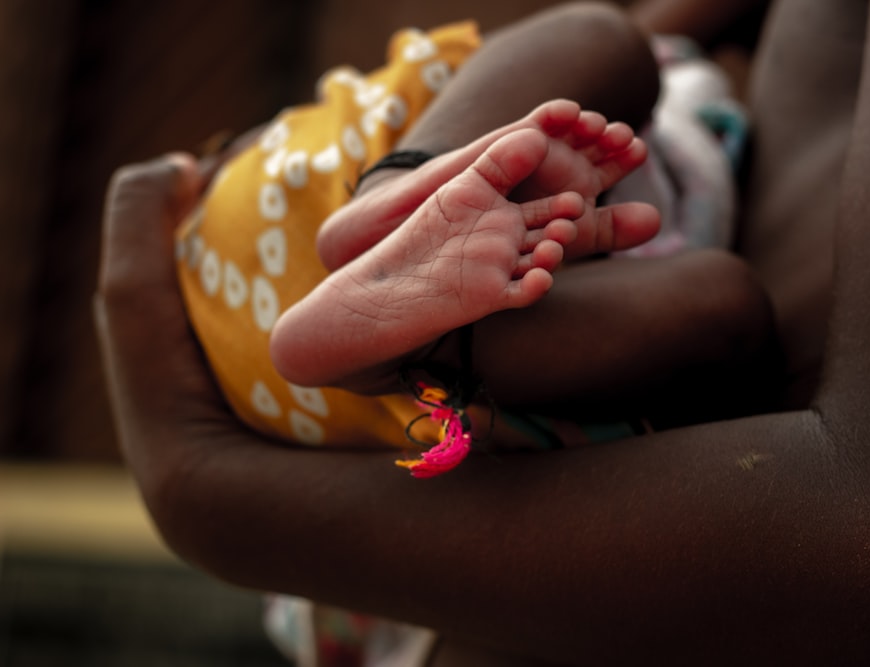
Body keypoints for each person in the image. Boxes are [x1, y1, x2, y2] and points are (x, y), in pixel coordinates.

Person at [96, 1, 870, 664]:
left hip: (300, 323)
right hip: (478, 245)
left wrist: (210, 500)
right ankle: (399, 238)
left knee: (716, 305)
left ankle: (418, 312)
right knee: (601, 46)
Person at [177, 18, 763, 478]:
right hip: (288, 220)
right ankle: (406, 313)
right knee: (605, 39)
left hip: (245, 322)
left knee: (601, 41)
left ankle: (404, 249)